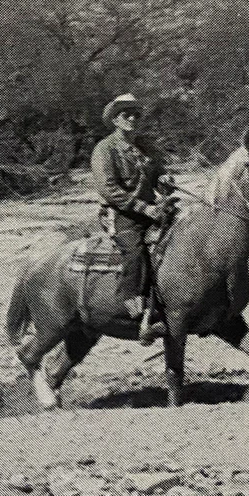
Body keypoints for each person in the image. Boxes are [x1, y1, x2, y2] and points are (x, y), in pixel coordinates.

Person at [91, 93, 176, 344]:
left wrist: (165, 181)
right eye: (126, 115)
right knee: (135, 251)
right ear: (115, 120)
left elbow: (160, 174)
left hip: (152, 210)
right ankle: (135, 309)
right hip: (122, 213)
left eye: (135, 115)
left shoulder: (146, 146)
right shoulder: (105, 149)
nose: (132, 119)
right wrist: (143, 207)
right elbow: (109, 189)